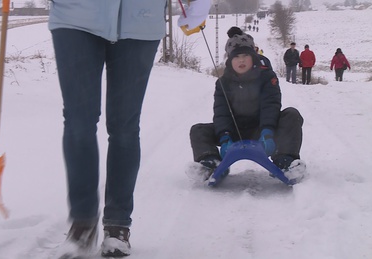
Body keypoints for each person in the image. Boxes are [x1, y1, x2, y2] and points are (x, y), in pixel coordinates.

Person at [48, 2, 166, 258]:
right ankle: (82, 223)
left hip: (140, 18)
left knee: (124, 127)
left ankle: (117, 225)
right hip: (74, 15)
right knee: (79, 122)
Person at [188, 32, 305, 182]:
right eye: (236, 57)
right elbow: (221, 112)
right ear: (230, 60)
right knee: (198, 129)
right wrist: (224, 137)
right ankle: (210, 164)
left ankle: (285, 161)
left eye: (245, 56)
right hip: (234, 132)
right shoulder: (223, 83)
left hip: (262, 131)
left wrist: (268, 132)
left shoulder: (267, 77)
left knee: (291, 115)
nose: (241, 60)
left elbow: (271, 105)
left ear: (253, 57)